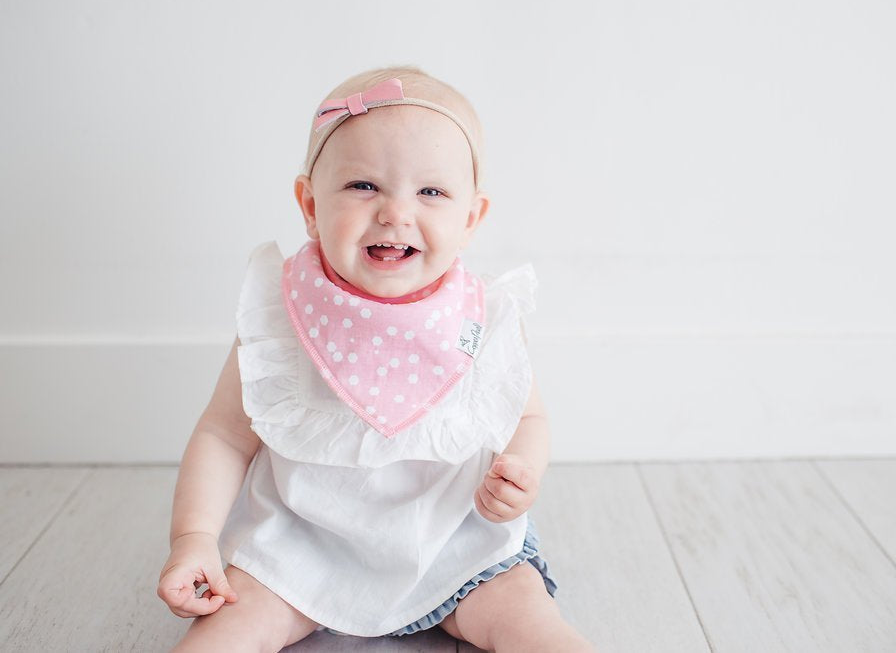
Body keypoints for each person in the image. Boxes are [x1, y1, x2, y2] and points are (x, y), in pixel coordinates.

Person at [156, 65, 595, 652]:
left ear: (470, 218)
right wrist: (194, 536)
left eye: (431, 192)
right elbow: (225, 435)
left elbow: (529, 417)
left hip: (452, 539)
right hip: (298, 546)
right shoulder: (284, 318)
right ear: (309, 204)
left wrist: (522, 469)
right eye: (364, 186)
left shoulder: (481, 318)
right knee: (227, 630)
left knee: (529, 621)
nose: (395, 212)